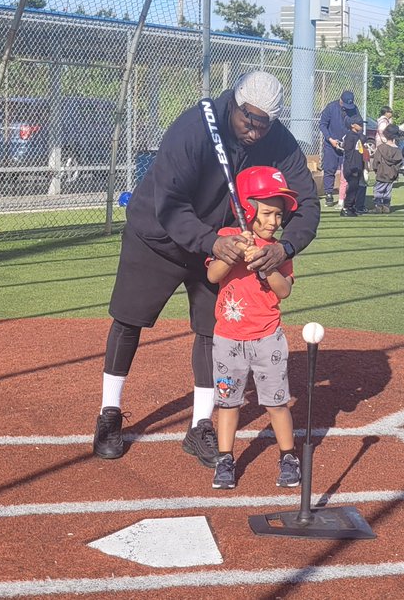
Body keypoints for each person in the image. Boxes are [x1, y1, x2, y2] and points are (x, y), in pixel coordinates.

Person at [92, 70, 320, 469]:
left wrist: (284, 247)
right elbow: (171, 202)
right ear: (233, 103)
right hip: (159, 237)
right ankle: (109, 414)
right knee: (129, 320)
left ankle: (200, 426)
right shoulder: (194, 127)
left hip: (222, 246)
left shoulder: (276, 139)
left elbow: (308, 203)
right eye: (249, 119)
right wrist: (210, 242)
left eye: (265, 123)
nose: (255, 130)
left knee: (214, 331)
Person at [206, 166, 301, 490]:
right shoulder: (226, 239)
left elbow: (284, 290)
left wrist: (265, 265)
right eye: (268, 213)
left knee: (276, 402)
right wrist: (234, 253)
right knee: (228, 402)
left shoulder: (277, 250)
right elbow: (213, 276)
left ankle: (288, 456)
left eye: (279, 215)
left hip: (267, 338)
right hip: (228, 339)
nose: (275, 221)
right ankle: (225, 458)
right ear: (247, 210)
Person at [318, 90, 357, 208]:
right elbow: (322, 124)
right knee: (330, 169)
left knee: (347, 172)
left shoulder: (354, 109)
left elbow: (357, 124)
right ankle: (329, 194)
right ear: (340, 100)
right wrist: (330, 138)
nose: (346, 108)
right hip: (331, 145)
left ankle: (345, 196)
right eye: (345, 104)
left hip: (347, 145)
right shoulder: (331, 107)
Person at [339, 115, 367, 217]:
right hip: (352, 167)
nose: (361, 126)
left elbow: (363, 140)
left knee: (355, 188)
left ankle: (351, 207)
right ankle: (346, 208)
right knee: (352, 188)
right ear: (352, 125)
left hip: (357, 165)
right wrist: (352, 167)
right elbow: (348, 152)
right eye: (359, 124)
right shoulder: (350, 136)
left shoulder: (357, 136)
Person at [371, 124, 402, 213]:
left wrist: (376, 170)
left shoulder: (380, 148)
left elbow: (375, 162)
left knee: (378, 191)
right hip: (392, 175)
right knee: (387, 191)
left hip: (381, 173)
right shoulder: (398, 150)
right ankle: (386, 206)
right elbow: (400, 164)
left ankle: (378, 206)